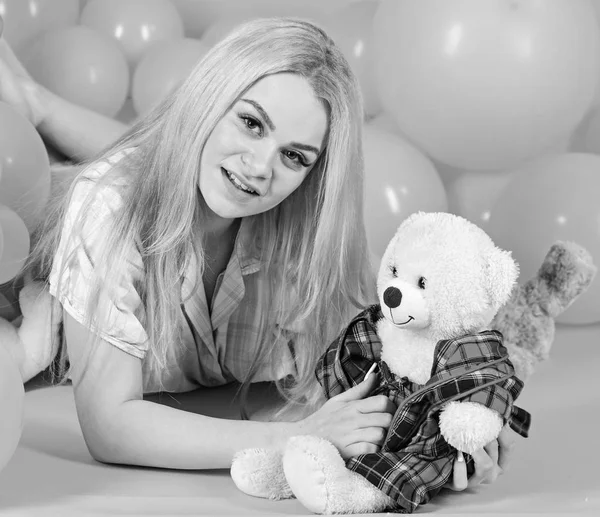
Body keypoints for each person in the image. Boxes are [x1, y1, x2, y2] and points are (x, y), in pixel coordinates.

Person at [0, 17, 514, 489]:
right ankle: (32, 105)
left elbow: (407, 345)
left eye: (294, 156)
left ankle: (36, 102)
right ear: (211, 99)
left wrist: (456, 420)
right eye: (251, 123)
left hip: (147, 174)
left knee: (177, 161)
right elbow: (110, 427)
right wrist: (300, 436)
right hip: (21, 242)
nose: (261, 167)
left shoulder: (309, 228)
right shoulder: (111, 207)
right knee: (127, 181)